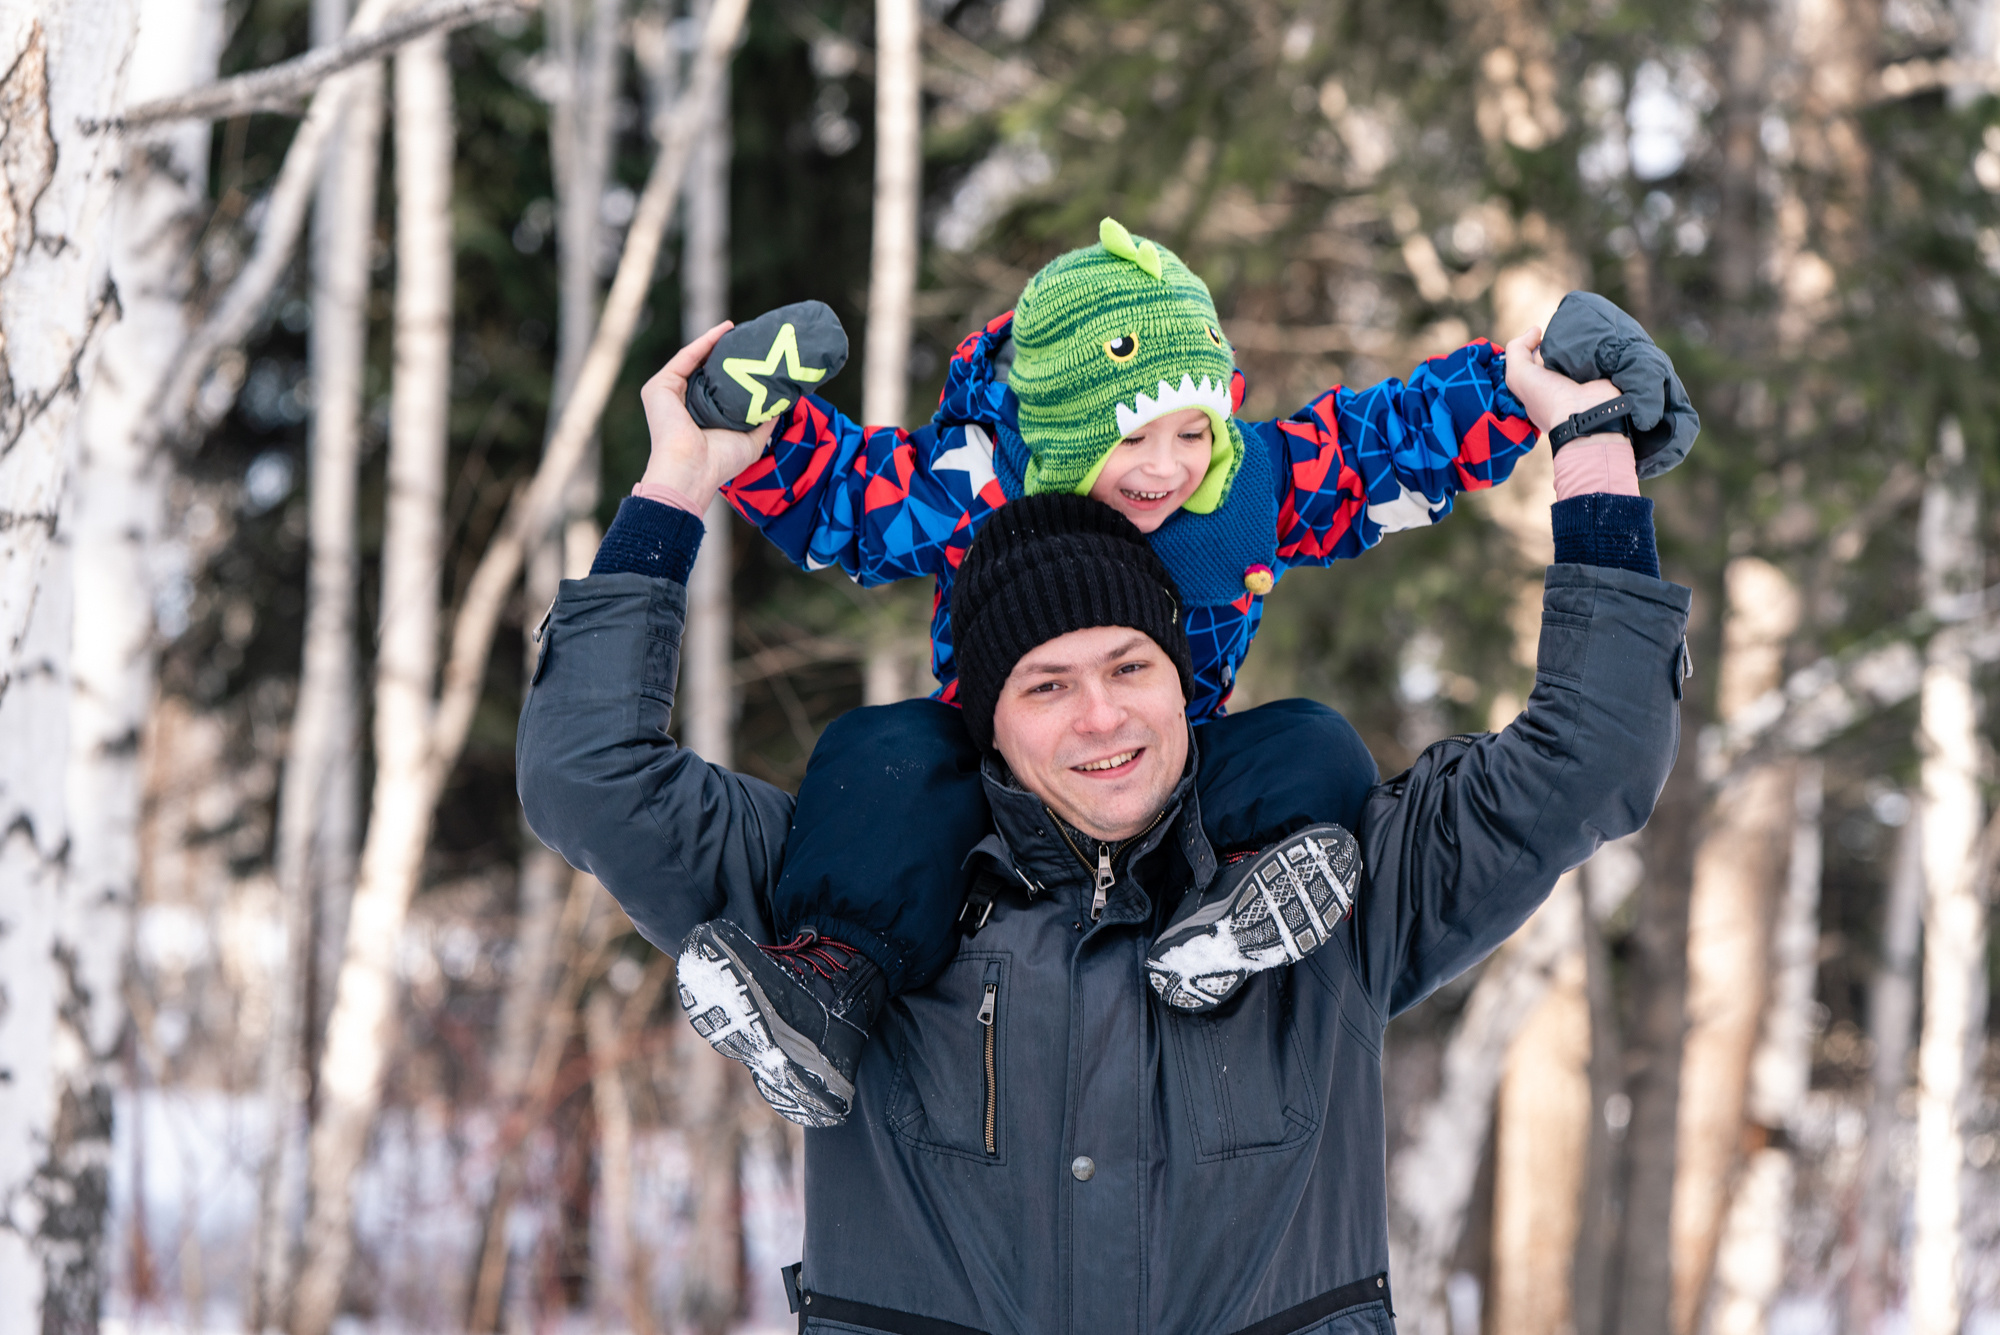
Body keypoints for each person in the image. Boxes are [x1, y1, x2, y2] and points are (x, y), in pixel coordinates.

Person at [516, 323, 1692, 1334]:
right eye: (1045, 685)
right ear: (985, 715)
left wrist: (1589, 444)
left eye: (1130, 666)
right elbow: (585, 778)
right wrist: (676, 484)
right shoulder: (827, 878)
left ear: (1182, 680)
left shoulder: (1343, 885)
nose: (1100, 717)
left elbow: (1590, 756)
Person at [648, 217, 1560, 1125]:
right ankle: (832, 979)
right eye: (1132, 439)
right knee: (885, 750)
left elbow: (1381, 448)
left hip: (1175, 789)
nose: (1167, 468)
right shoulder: (978, 482)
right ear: (1063, 427)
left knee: (1309, 739)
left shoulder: (1247, 491)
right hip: (999, 787)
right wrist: (749, 412)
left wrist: (1514, 387)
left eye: (1192, 431)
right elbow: (847, 494)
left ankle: (1230, 908)